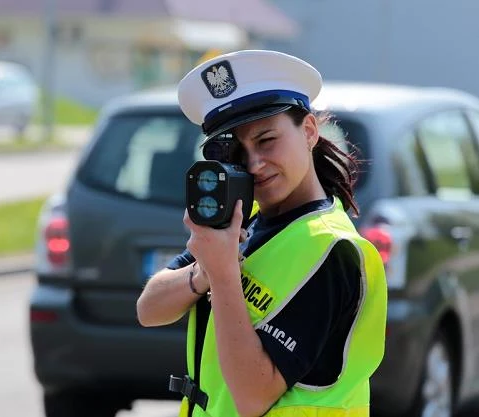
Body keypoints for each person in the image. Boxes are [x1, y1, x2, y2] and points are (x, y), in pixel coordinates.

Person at [136, 50, 388, 417]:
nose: (253, 164)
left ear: (309, 131)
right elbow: (149, 309)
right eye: (237, 151)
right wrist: (204, 272)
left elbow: (253, 397)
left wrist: (223, 277)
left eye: (266, 140)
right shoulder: (244, 221)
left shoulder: (333, 250)